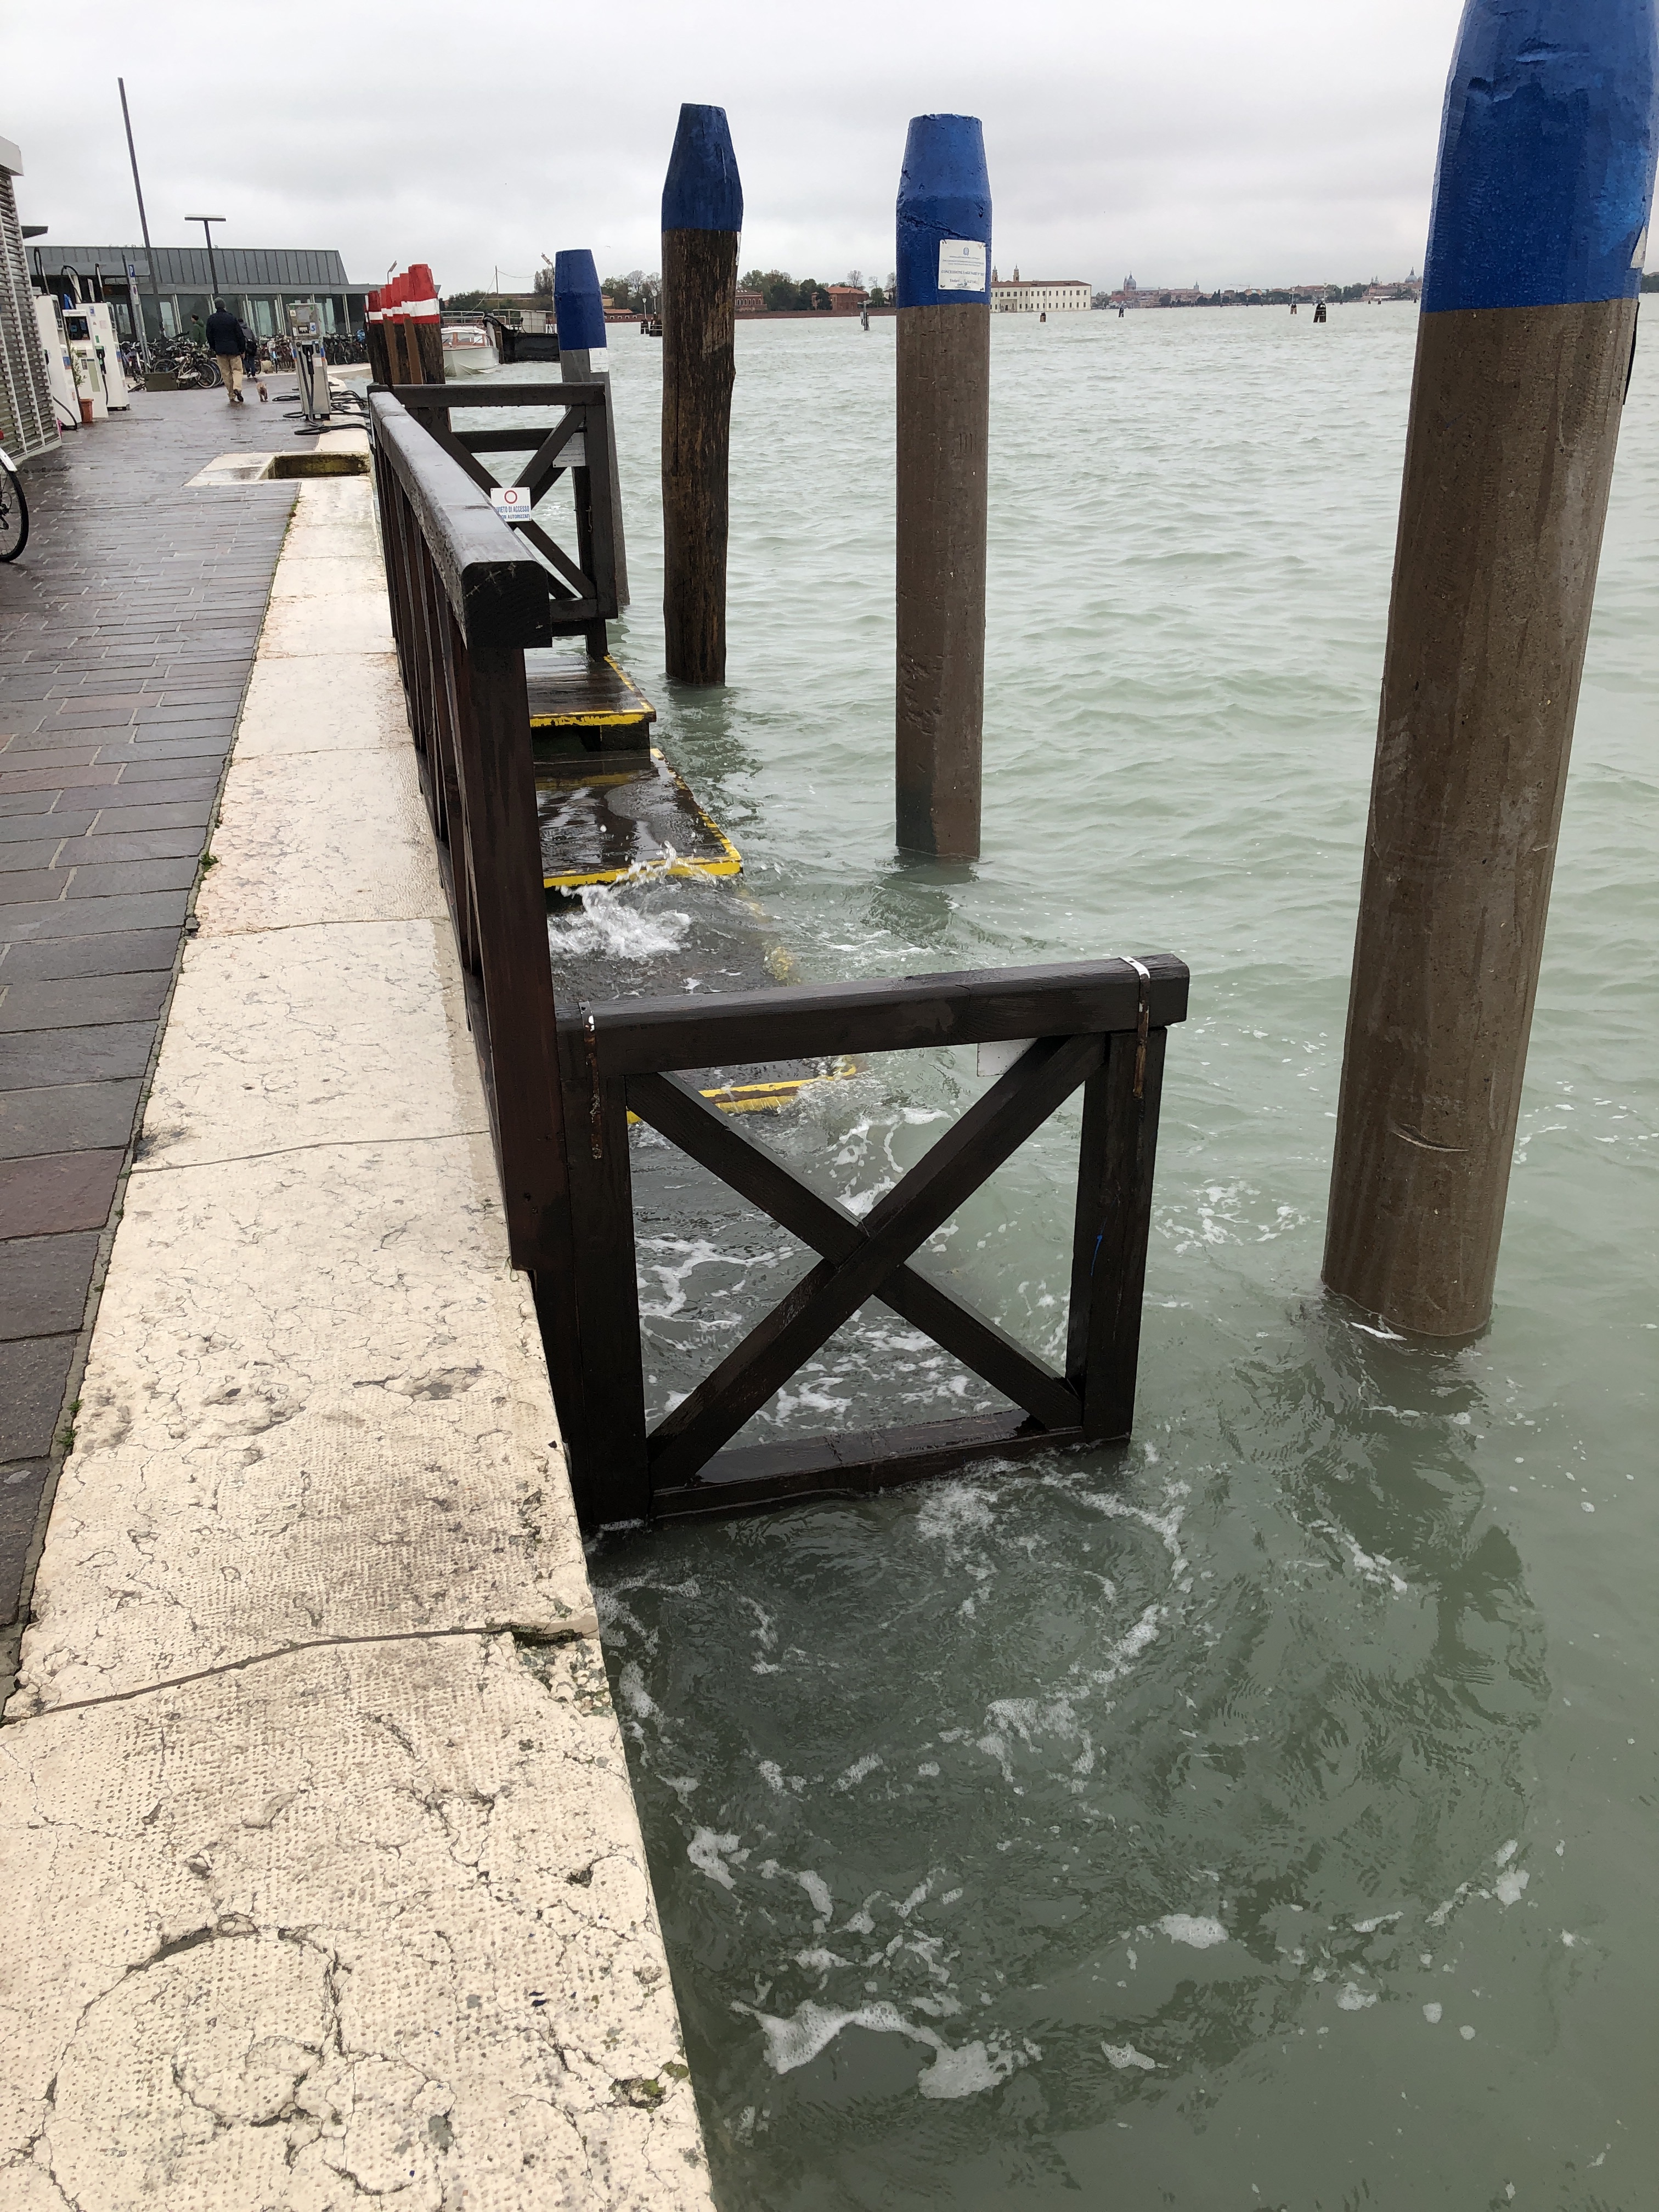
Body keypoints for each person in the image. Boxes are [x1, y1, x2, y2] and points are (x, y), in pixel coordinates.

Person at [205, 298, 247, 404]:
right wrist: (242, 350)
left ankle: (231, 394)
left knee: (226, 373)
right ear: (224, 306)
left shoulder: (211, 320)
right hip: (234, 350)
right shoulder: (231, 318)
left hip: (220, 350)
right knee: (237, 370)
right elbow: (239, 335)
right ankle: (237, 387)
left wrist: (214, 347)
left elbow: (209, 336)